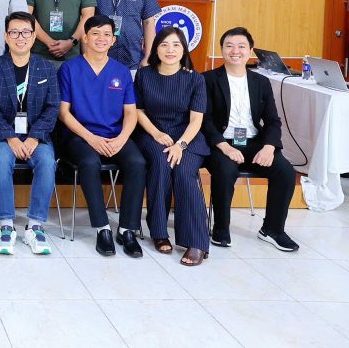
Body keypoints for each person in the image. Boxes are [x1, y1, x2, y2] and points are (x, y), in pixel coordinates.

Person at [202, 27, 299, 252]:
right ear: (222, 49)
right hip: (221, 143)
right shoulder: (207, 79)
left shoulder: (261, 82)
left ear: (250, 51)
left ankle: (272, 230)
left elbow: (273, 121)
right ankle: (221, 229)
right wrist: (225, 147)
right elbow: (205, 120)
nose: (235, 51)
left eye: (241, 46)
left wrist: (269, 147)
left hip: (254, 142)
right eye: (229, 46)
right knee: (225, 170)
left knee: (285, 171)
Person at [57, 15, 145, 257]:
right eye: (95, 33)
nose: (101, 38)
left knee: (137, 162)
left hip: (115, 135)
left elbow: (131, 113)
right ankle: (102, 228)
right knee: (89, 162)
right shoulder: (69, 69)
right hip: (80, 136)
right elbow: (63, 113)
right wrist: (91, 138)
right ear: (85, 37)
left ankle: (127, 229)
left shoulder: (122, 71)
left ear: (113, 40)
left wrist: (122, 139)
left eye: (107, 34)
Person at [0, 11, 59, 255]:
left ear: (34, 36)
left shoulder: (47, 68)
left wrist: (34, 137)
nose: (20, 37)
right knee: (2, 160)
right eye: (14, 32)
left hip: (36, 134)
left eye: (26, 32)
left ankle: (35, 226)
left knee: (47, 161)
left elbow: (52, 107)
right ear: (6, 36)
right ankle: (6, 225)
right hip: (1, 134)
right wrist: (10, 137)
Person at [133, 27, 210, 266]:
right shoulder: (144, 75)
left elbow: (196, 120)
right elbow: (138, 111)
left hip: (188, 137)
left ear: (184, 49)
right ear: (155, 48)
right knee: (160, 163)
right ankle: (159, 232)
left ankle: (196, 242)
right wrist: (156, 133)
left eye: (176, 45)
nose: (170, 50)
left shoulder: (195, 79)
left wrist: (181, 145)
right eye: (164, 44)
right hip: (153, 133)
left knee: (185, 172)